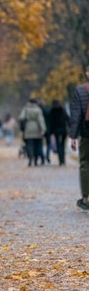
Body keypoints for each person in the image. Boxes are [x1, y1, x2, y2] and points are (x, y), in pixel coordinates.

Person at [69, 65, 89, 210]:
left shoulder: (80, 90)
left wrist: (73, 136)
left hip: (86, 132)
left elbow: (76, 115)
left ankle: (86, 198)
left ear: (87, 73)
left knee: (85, 164)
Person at [18, 98, 46, 166]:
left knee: (29, 145)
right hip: (37, 129)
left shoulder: (26, 109)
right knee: (36, 145)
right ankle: (36, 160)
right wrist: (43, 128)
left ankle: (30, 159)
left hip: (28, 128)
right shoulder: (38, 109)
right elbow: (40, 120)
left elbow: (21, 117)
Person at [49, 99, 69, 166]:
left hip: (56, 130)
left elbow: (51, 122)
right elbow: (67, 118)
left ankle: (60, 160)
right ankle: (63, 160)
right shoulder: (62, 109)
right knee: (63, 144)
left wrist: (51, 131)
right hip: (63, 130)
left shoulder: (52, 111)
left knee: (58, 144)